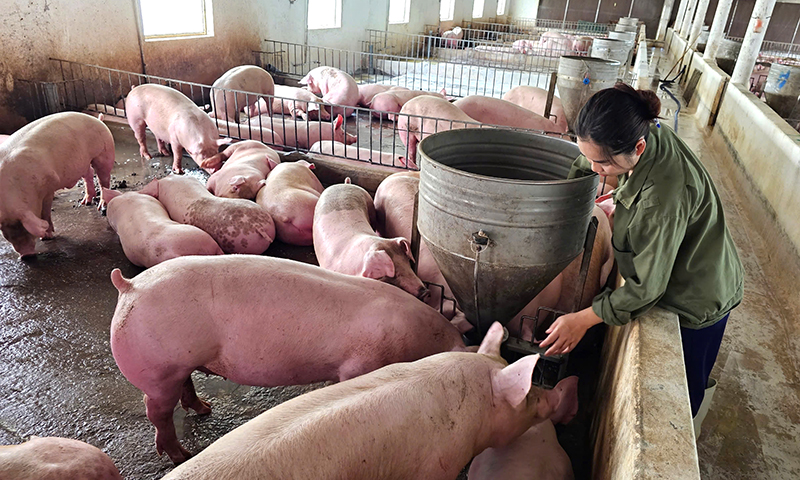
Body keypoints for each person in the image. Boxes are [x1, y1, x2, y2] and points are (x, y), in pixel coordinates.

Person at [539, 84, 744, 431]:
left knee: (685, 390)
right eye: (587, 155)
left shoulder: (660, 199)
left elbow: (647, 289)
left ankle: (690, 431)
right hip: (691, 256)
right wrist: (567, 193)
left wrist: (583, 319)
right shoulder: (646, 129)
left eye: (601, 163)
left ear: (637, 147)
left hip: (698, 294)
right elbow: (587, 160)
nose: (594, 167)